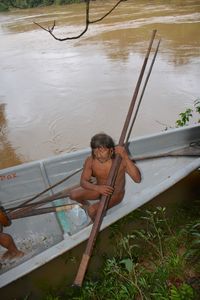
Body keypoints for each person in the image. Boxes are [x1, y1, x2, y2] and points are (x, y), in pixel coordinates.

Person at [69, 133, 141, 221]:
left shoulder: (120, 162)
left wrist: (125, 155)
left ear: (111, 150)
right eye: (95, 151)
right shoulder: (91, 160)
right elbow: (83, 182)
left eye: (102, 151)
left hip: (114, 195)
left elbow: (137, 179)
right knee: (73, 195)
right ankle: (86, 205)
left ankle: (96, 221)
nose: (98, 155)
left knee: (92, 211)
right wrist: (97, 188)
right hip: (99, 190)